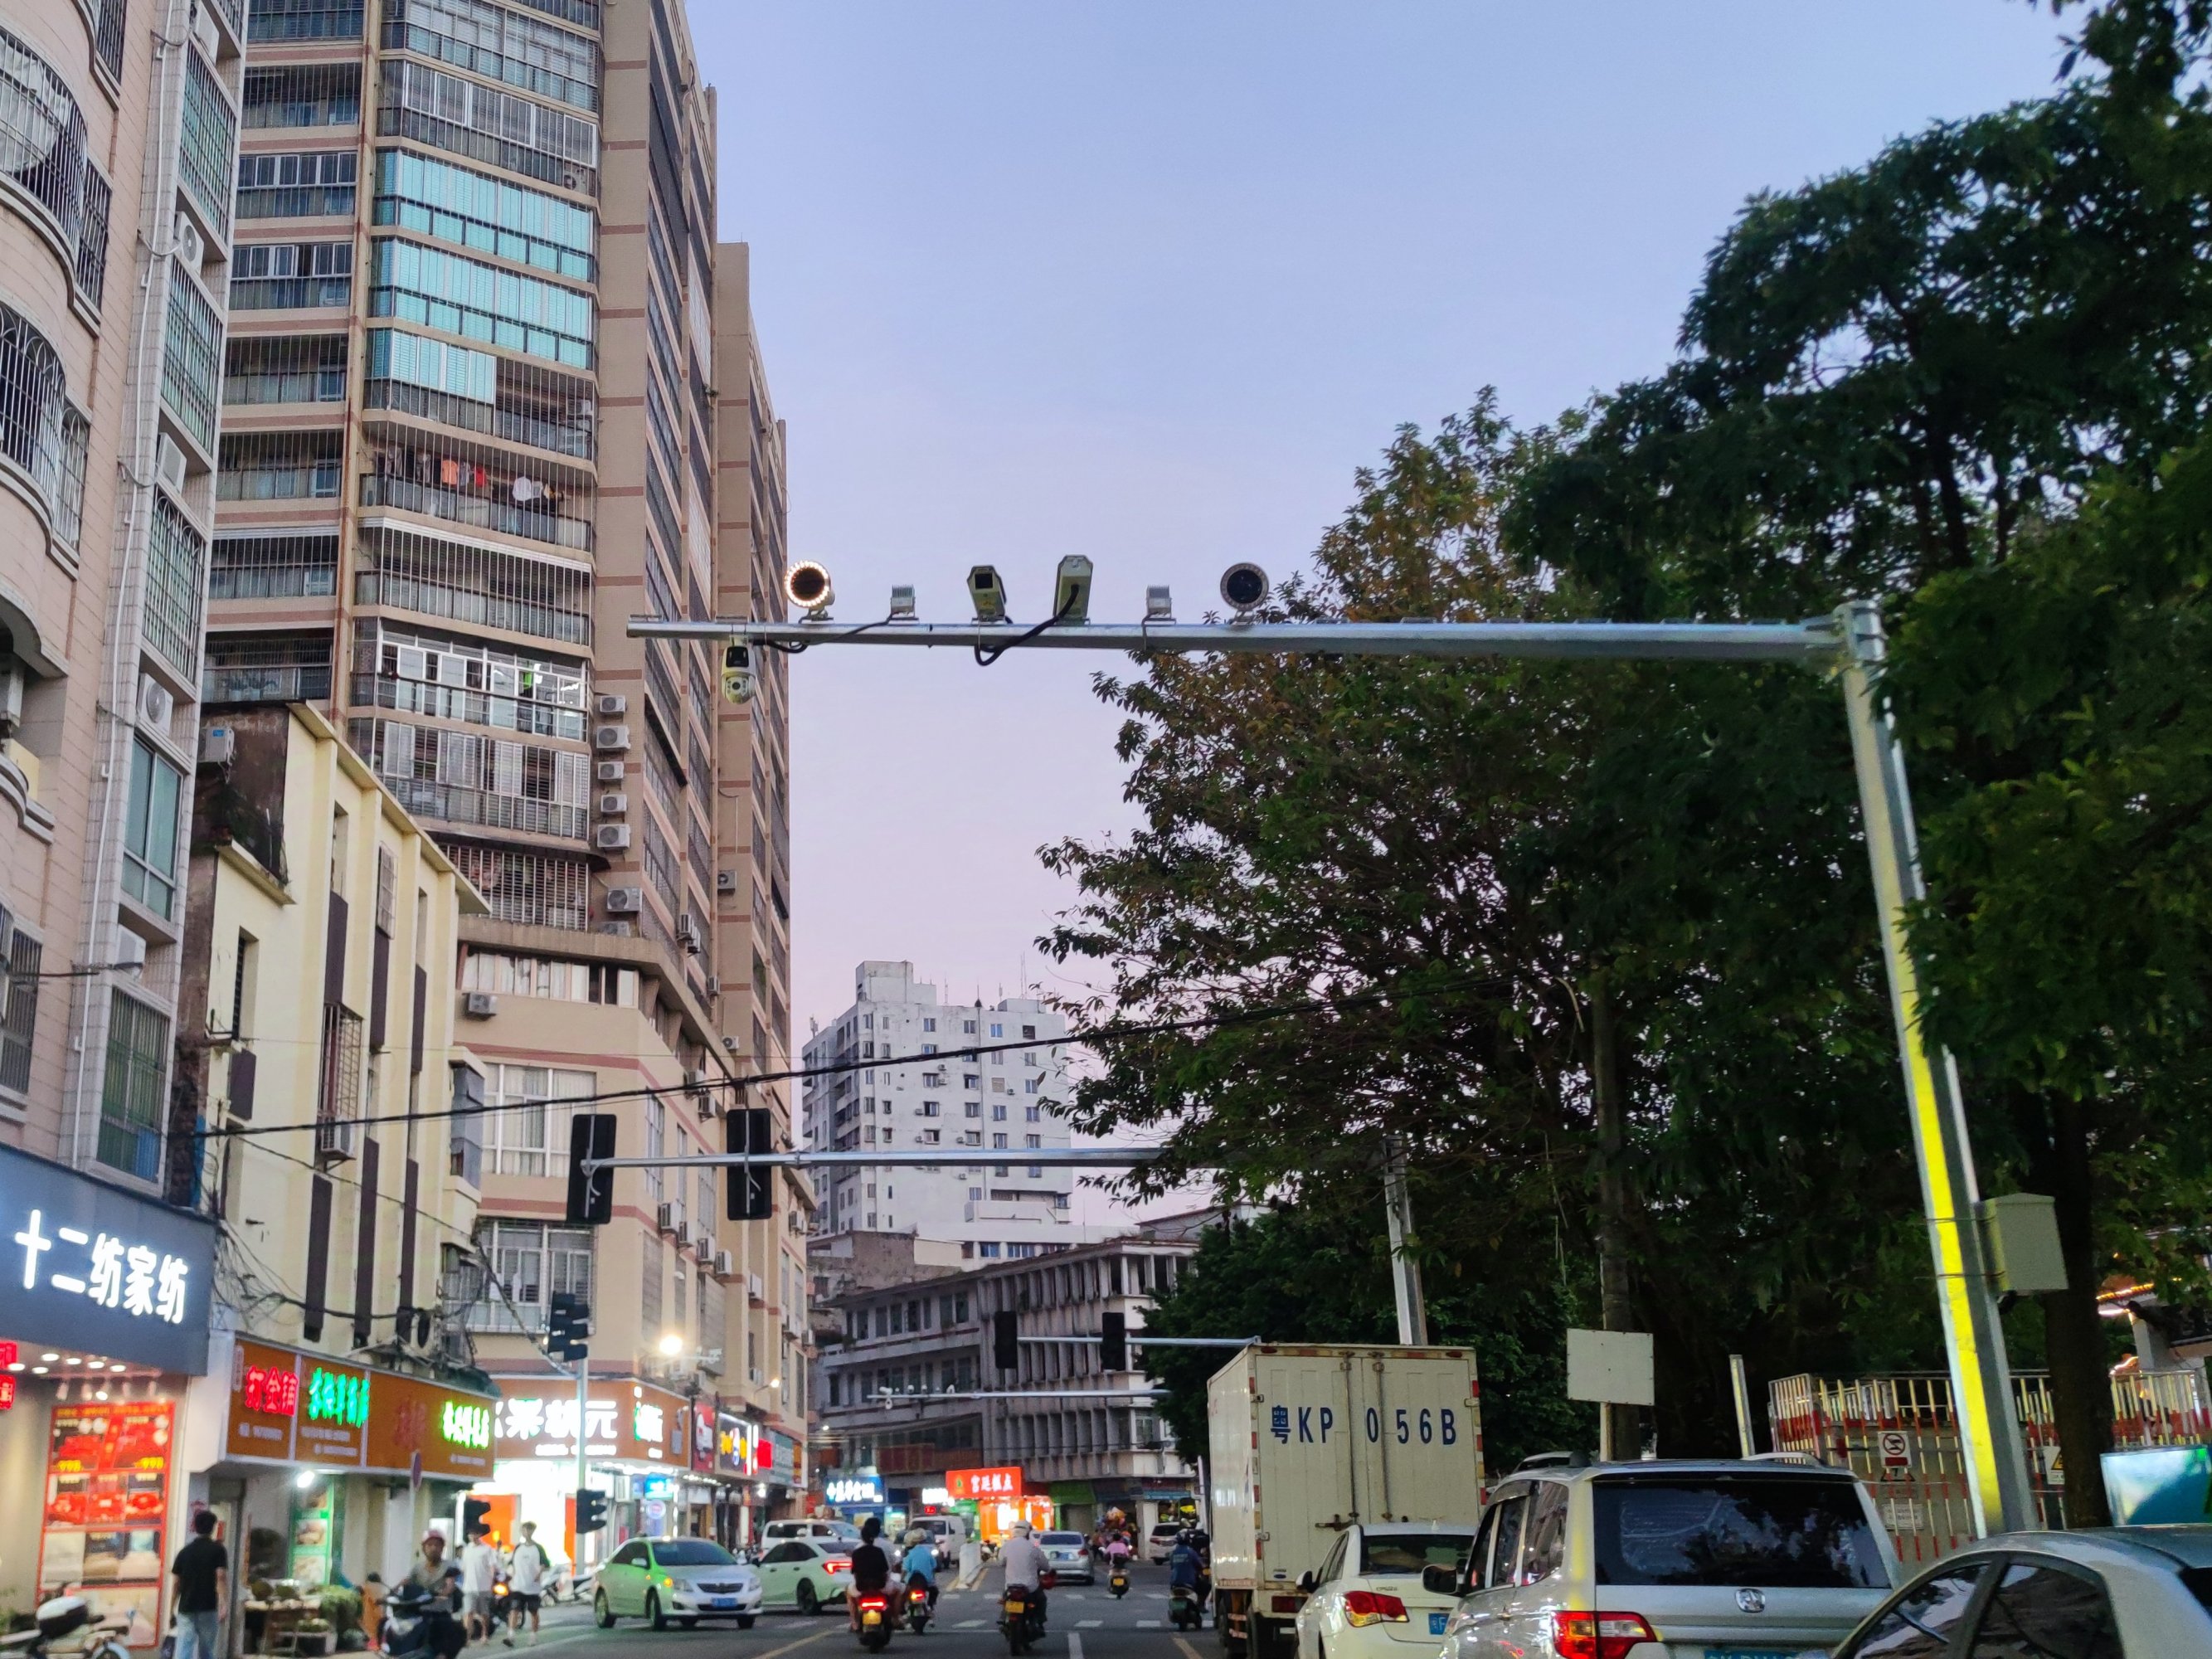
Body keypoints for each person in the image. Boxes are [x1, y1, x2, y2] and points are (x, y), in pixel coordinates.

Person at [171, 1510, 228, 1659]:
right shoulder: (218, 1550)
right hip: (208, 1607)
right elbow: (220, 1577)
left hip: (186, 1607)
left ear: (195, 1527)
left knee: (184, 1648)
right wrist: (223, 1603)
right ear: (213, 1528)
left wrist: (171, 1608)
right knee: (207, 1650)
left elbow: (176, 1583)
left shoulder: (184, 1552)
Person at [504, 1522, 551, 1647]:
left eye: (529, 1530)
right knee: (514, 1610)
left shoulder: (538, 1548)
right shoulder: (518, 1547)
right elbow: (512, 1564)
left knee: (534, 1612)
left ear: (533, 1531)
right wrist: (511, 1576)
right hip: (518, 1586)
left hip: (533, 1588)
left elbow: (546, 1564)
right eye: (524, 1530)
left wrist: (538, 1573)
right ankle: (510, 1636)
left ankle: (533, 1636)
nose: (527, 1532)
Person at [999, 1521, 1049, 1627]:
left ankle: (1004, 1616)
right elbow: (1045, 1565)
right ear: (1027, 1532)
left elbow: (1001, 1562)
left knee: (1006, 1597)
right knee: (1041, 1599)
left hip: (1011, 1586)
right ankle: (1040, 1620)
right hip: (1029, 1587)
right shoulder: (1032, 1547)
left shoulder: (1006, 1546)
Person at [459, 1525, 501, 1644]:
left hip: (484, 1586)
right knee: (468, 1612)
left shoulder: (487, 1549)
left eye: (475, 1534)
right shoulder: (467, 1550)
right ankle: (467, 1638)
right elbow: (463, 1568)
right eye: (470, 1534)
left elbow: (492, 1566)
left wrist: (491, 1582)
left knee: (484, 1613)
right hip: (469, 1587)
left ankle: (484, 1634)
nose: (472, 1536)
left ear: (480, 1535)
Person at [847, 1517, 891, 1630]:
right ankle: (895, 1618)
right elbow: (885, 1571)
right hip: (879, 1585)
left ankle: (855, 1622)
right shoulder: (879, 1551)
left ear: (862, 1537)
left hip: (861, 1586)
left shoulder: (856, 1552)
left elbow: (854, 1572)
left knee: (849, 1593)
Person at [899, 1530, 939, 1612]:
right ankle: (930, 1606)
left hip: (912, 1582)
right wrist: (932, 1579)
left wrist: (901, 1580)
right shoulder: (928, 1552)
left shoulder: (910, 1554)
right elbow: (934, 1567)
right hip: (927, 1582)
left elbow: (905, 1570)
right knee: (935, 1591)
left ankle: (902, 1611)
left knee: (902, 1594)